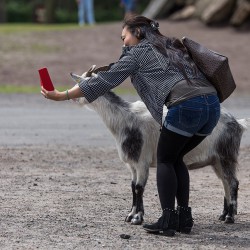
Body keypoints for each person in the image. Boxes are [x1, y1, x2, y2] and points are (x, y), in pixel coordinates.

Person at [41, 15, 220, 236]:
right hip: (212, 105)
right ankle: (184, 217)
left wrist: (62, 95)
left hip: (186, 106)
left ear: (137, 33)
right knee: (176, 158)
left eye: (124, 36)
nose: (123, 42)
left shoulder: (139, 52)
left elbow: (104, 81)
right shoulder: (171, 45)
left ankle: (167, 220)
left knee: (165, 159)